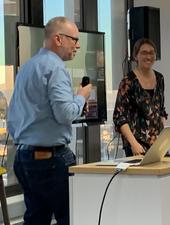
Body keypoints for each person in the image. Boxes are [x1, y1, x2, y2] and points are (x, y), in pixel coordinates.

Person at [7, 17, 92, 225]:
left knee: (36, 219)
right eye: (74, 39)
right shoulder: (55, 68)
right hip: (51, 161)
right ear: (58, 39)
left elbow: (15, 116)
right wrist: (82, 96)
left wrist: (72, 101)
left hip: (24, 158)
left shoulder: (27, 68)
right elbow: (65, 114)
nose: (78, 45)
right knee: (72, 217)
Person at [113, 38, 168, 157]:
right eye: (144, 52)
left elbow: (161, 110)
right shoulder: (128, 82)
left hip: (158, 144)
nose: (148, 56)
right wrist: (134, 144)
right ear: (135, 56)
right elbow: (119, 117)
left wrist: (165, 137)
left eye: (151, 52)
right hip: (137, 146)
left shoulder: (160, 78)